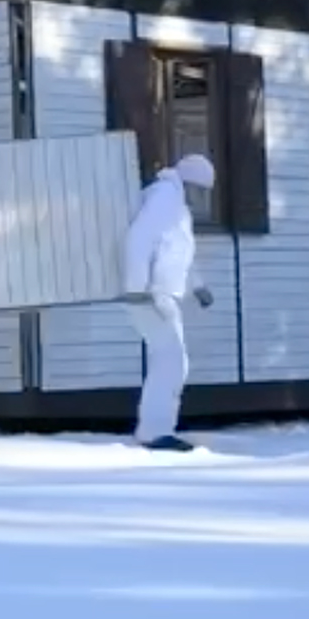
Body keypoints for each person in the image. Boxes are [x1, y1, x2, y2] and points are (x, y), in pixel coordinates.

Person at [121, 154, 217, 452]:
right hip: (150, 293)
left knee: (171, 360)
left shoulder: (175, 204)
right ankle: (155, 432)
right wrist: (138, 287)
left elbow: (176, 253)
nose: (202, 198)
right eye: (201, 190)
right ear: (190, 182)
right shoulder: (165, 199)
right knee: (172, 360)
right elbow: (138, 239)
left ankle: (156, 428)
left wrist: (197, 285)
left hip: (159, 292)